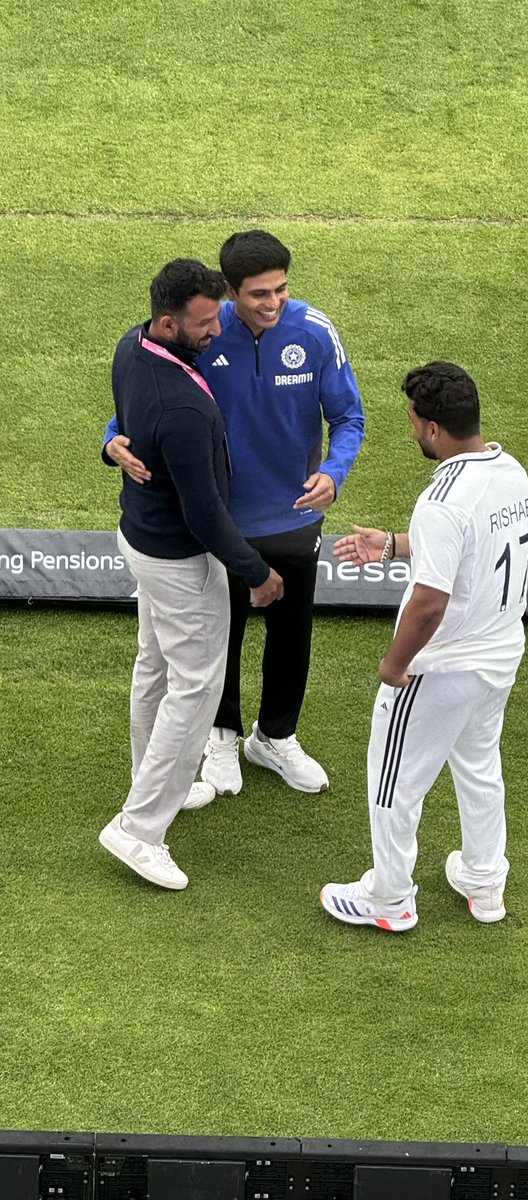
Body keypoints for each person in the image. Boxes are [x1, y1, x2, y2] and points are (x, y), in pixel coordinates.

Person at [103, 230, 365, 798]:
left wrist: (334, 474)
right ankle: (221, 738)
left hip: (296, 517)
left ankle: (275, 737)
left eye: (281, 290)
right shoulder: (203, 331)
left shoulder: (316, 334)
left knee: (292, 632)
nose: (271, 304)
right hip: (220, 523)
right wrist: (112, 438)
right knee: (224, 635)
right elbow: (144, 395)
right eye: (258, 294)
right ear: (231, 291)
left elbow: (350, 418)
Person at [320, 361, 528, 932]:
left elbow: (431, 601)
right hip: (500, 653)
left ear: (432, 426)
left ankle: (389, 899)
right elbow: (471, 549)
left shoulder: (441, 498)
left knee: (393, 782)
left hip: (441, 666)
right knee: (480, 765)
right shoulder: (510, 470)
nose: (412, 429)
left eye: (413, 420)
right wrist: (393, 545)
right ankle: (485, 883)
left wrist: (395, 665)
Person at [98, 259, 283, 891]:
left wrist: (111, 440)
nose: (216, 331)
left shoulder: (133, 342)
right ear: (170, 321)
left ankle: (153, 789)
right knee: (197, 686)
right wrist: (256, 572)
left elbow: (125, 418)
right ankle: (140, 828)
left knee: (155, 665)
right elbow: (203, 513)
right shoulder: (180, 406)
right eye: (205, 324)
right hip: (178, 559)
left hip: (140, 541)